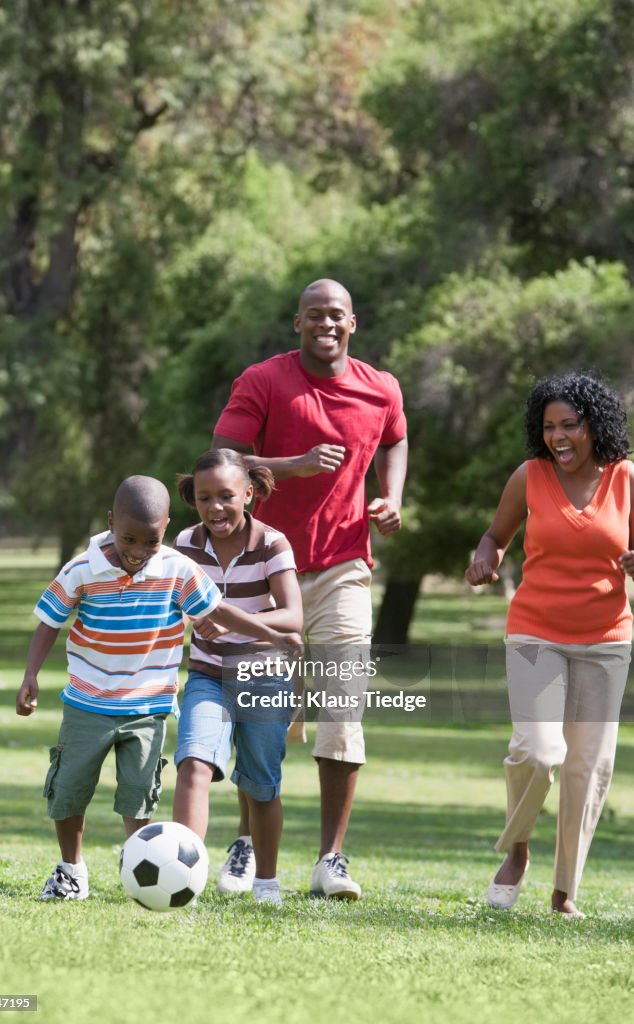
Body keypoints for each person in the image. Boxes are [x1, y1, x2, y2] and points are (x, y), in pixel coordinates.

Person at [212, 278, 408, 900]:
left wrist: (391, 495)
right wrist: (290, 467)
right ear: (298, 323)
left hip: (345, 566)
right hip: (268, 569)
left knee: (343, 712)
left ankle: (331, 860)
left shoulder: (381, 388)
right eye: (315, 315)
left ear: (355, 323)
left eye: (337, 316)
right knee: (263, 715)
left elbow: (397, 438)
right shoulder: (264, 381)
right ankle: (246, 844)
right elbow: (222, 459)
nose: (327, 324)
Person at [15, 474, 299, 901]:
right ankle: (71, 870)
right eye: (128, 539)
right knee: (69, 789)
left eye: (150, 542)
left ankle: (139, 869)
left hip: (148, 706)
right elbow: (49, 622)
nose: (137, 552)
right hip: (87, 701)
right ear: (111, 523)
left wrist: (272, 634)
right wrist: (31, 675)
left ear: (165, 529)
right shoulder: (82, 569)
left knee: (138, 798)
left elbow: (219, 611)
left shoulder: (177, 569)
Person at [465, 373, 634, 918]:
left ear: (595, 425)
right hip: (536, 631)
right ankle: (517, 851)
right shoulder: (529, 476)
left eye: (570, 425)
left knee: (588, 768)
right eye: (549, 427)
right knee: (537, 752)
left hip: (607, 639)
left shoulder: (626, 479)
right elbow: (495, 536)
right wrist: (485, 557)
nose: (558, 436)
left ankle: (565, 894)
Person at [172, 448, 303, 906]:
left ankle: (266, 882)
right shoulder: (186, 545)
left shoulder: (272, 544)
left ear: (248, 493)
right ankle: (181, 877)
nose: (215, 507)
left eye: (226, 496)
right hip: (208, 673)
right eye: (204, 498)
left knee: (260, 783)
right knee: (193, 763)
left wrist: (232, 621)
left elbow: (293, 616)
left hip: (263, 675)